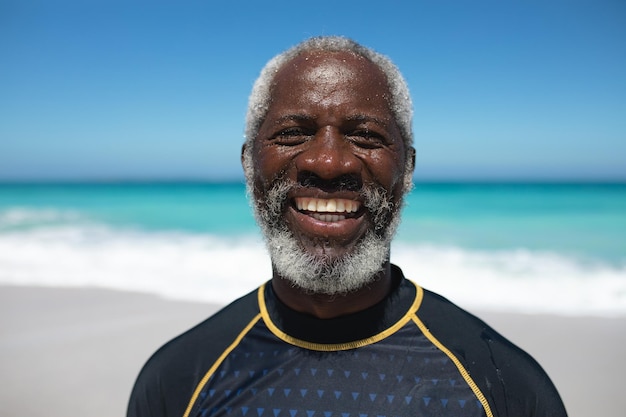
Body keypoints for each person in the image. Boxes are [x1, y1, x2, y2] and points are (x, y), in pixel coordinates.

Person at [127, 36, 567, 417]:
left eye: (366, 136)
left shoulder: (504, 388)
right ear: (248, 162)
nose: (328, 162)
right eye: (292, 133)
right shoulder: (179, 380)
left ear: (407, 168)